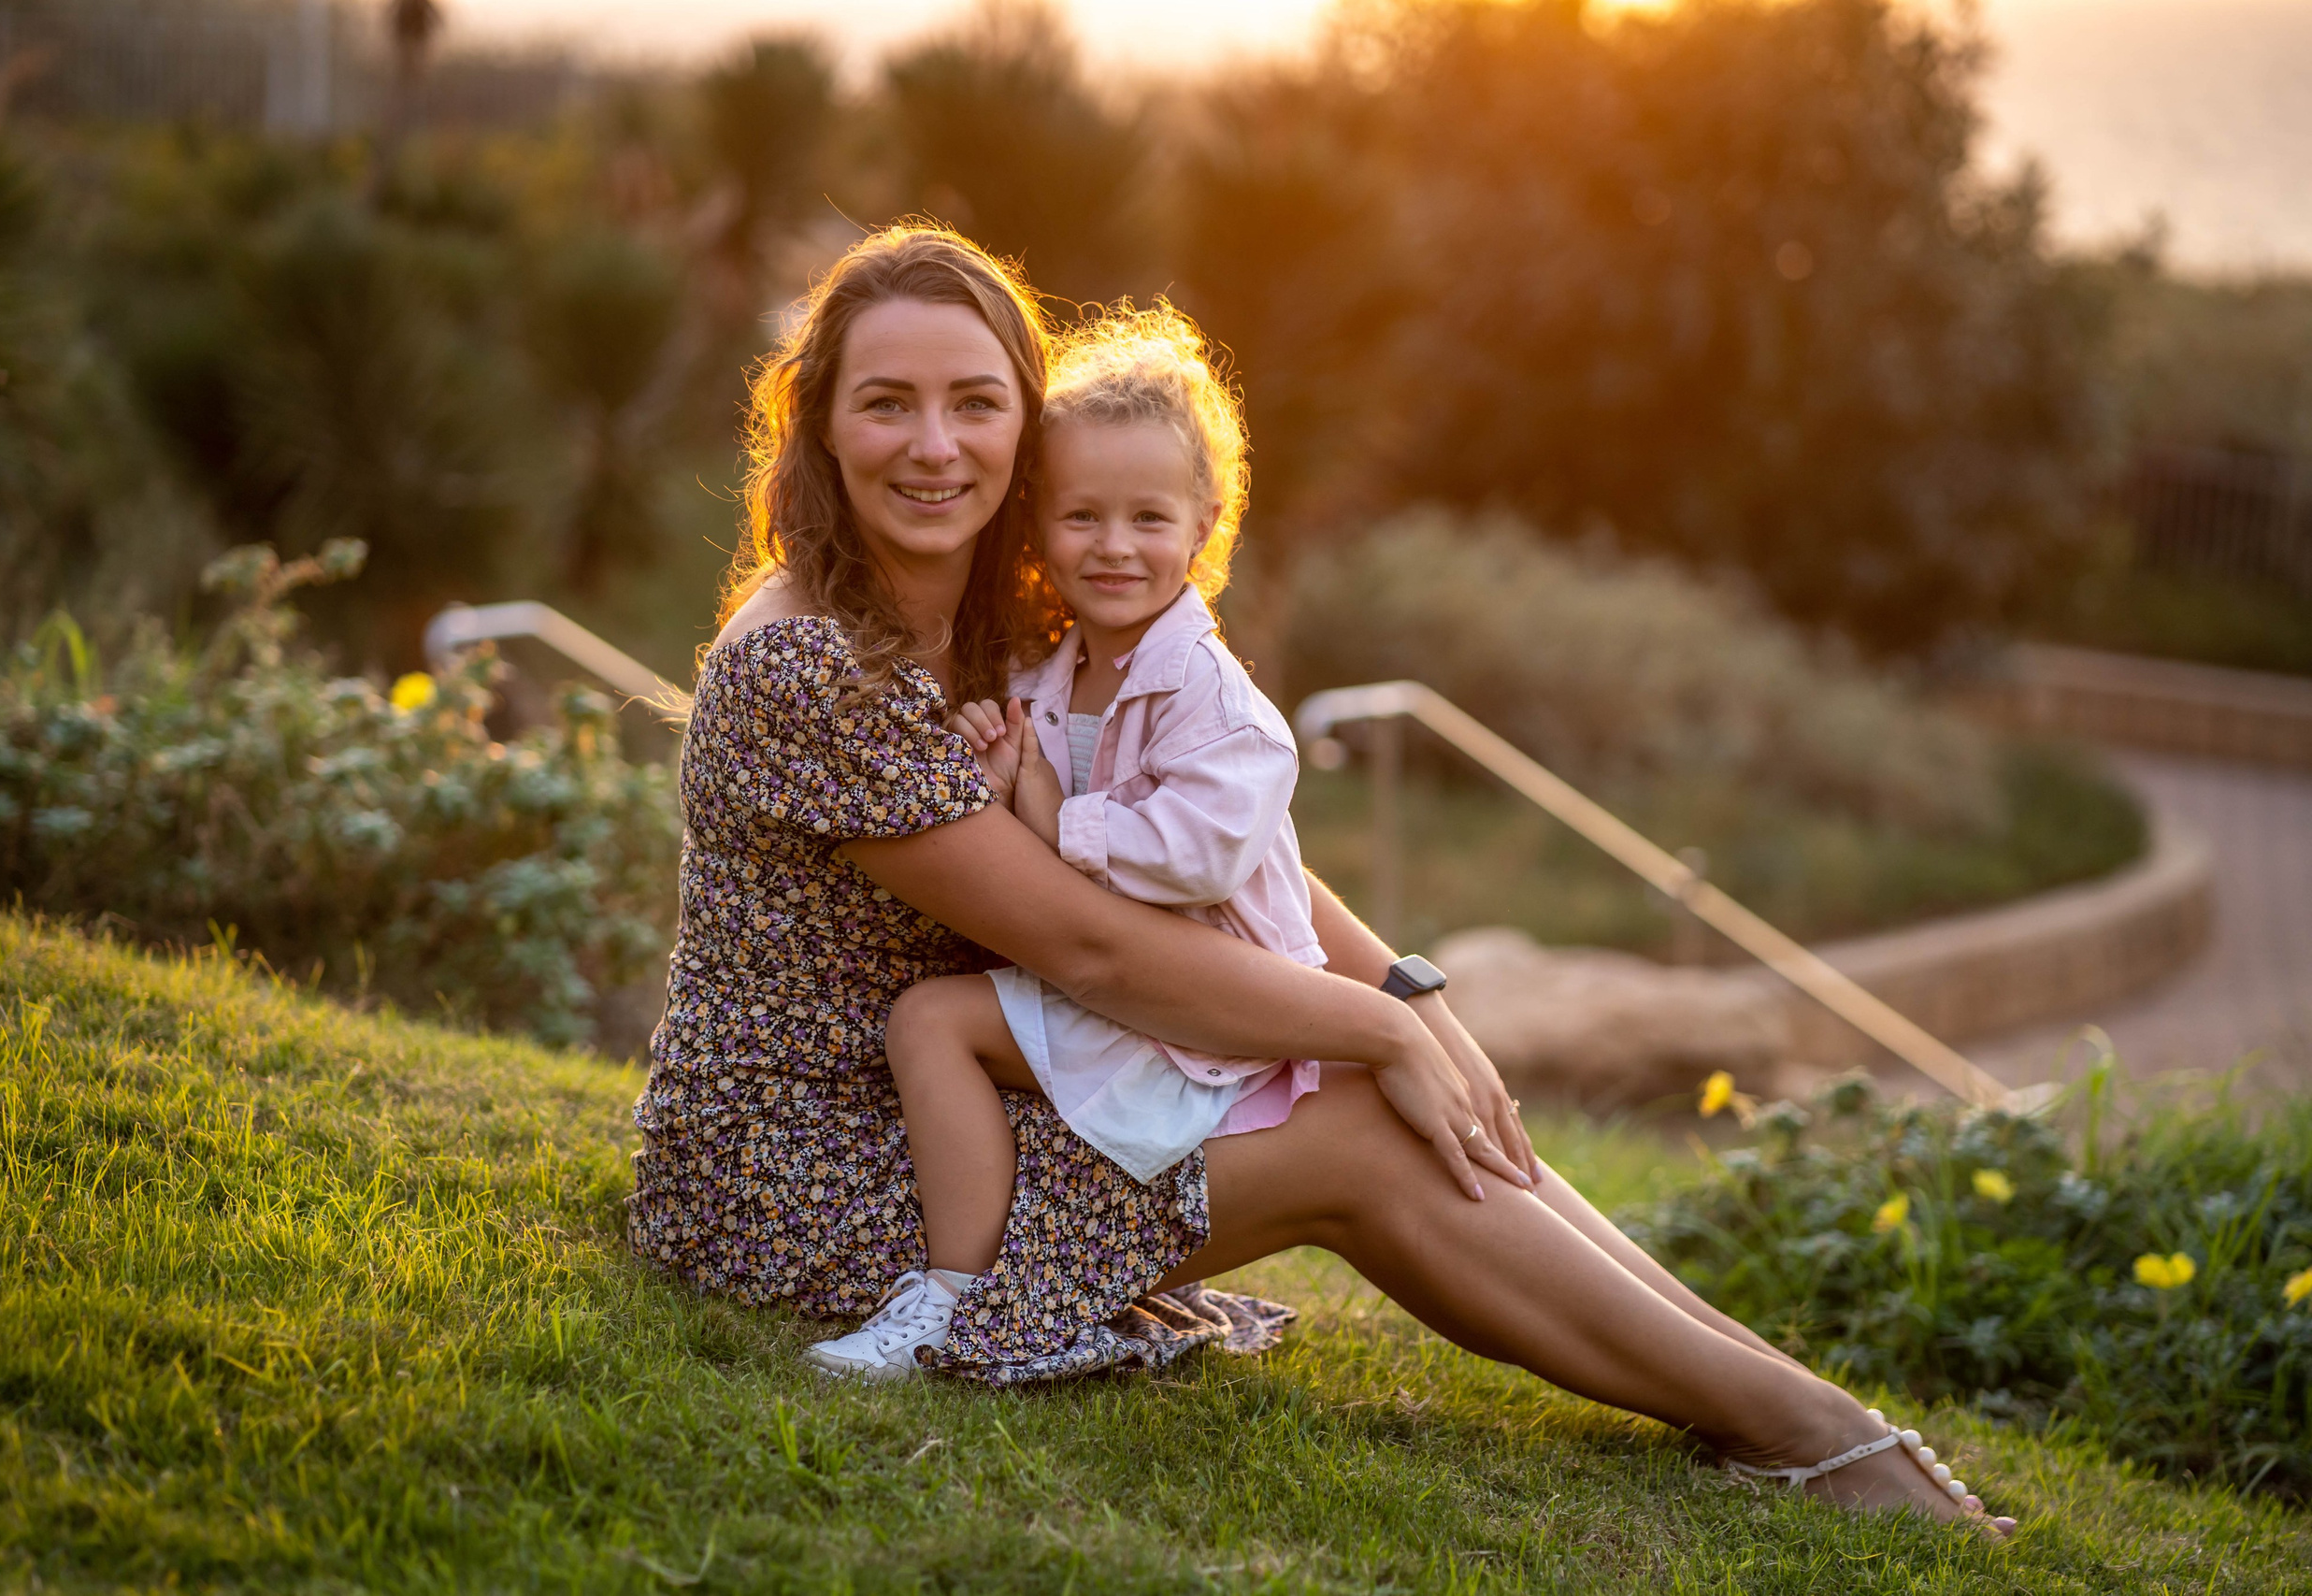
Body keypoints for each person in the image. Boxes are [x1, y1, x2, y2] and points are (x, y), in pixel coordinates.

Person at [628, 223, 2012, 1533]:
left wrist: (1411, 994)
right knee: (1358, 1125)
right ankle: (1807, 1433)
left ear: (1024, 424)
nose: (935, 444)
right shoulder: (806, 662)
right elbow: (1094, 947)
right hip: (805, 1170)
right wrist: (1375, 1029)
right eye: (887, 403)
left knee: (1425, 1099)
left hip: (973, 1096)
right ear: (817, 422)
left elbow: (1237, 853)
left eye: (976, 402)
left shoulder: (1006, 614)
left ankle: (1781, 1401)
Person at [806, 304, 1400, 1377]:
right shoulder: (1048, 670)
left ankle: (951, 1301)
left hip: (1204, 999)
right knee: (929, 1022)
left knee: (931, 1021)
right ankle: (962, 1290)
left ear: (1206, 521)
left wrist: (1049, 814)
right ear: (1036, 522)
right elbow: (1020, 807)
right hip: (1120, 983)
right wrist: (994, 769)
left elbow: (1199, 855)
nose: (1115, 547)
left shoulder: (1218, 702)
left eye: (1147, 519)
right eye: (1082, 517)